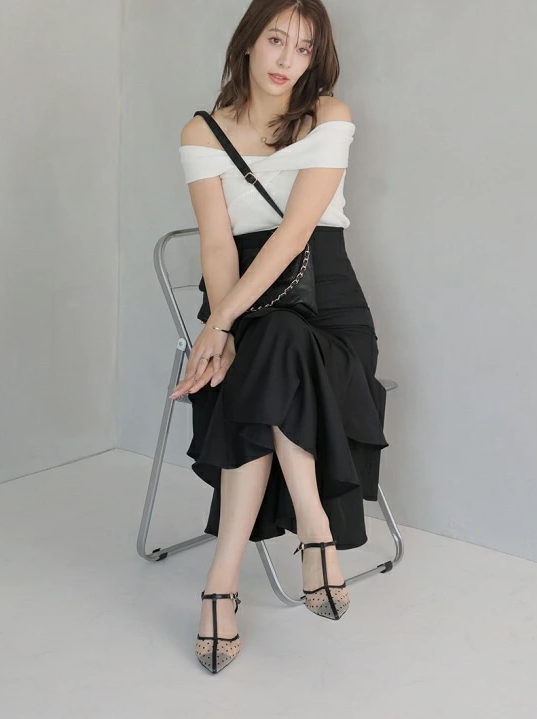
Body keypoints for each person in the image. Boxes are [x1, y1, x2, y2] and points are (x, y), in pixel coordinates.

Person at [173, 0, 388, 674]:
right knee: (272, 344)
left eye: (303, 48)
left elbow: (296, 233)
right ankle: (315, 533)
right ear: (248, 41)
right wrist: (226, 323)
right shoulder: (203, 132)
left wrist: (220, 323)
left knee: (282, 343)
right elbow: (217, 245)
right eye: (275, 40)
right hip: (246, 304)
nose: (286, 60)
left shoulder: (329, 116)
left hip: (331, 309)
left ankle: (221, 583)